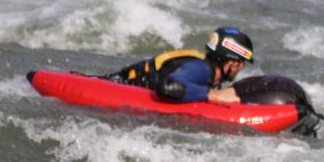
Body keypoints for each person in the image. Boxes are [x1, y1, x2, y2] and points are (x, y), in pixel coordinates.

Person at [105, 27, 254, 103]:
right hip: (115, 87)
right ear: (233, 62)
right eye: (242, 63)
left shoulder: (210, 75)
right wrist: (213, 95)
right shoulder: (201, 69)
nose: (241, 68)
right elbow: (167, 87)